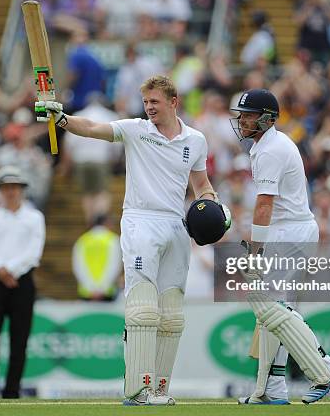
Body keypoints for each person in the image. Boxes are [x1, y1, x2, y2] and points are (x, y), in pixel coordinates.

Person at [35, 75, 230, 406]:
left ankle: (160, 389)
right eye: (146, 103)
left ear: (173, 101)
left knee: (171, 316)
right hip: (141, 221)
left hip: (176, 225)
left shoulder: (196, 140)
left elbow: (202, 185)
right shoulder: (137, 130)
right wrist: (63, 118)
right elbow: (94, 128)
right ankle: (138, 390)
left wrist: (212, 207)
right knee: (142, 311)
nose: (149, 108)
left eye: (155, 102)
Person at [230, 89, 330, 404]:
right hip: (292, 231)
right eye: (241, 114)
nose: (242, 120)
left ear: (267, 119)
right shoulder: (267, 145)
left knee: (273, 309)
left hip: (288, 234)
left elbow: (265, 205)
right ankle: (272, 389)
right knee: (275, 312)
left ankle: (324, 366)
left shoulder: (271, 150)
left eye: (249, 115)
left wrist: (254, 252)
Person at [0, 166, 46, 399]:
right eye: (6, 188)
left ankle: (11, 390)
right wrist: (0, 270)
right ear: (0, 190)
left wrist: (10, 270)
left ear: (22, 190)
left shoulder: (34, 217)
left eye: (14, 187)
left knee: (19, 339)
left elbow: (34, 251)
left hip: (21, 282)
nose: (11, 192)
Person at [72, 214, 122, 301]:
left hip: (86, 292)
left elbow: (78, 266)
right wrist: (102, 288)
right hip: (107, 292)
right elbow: (114, 265)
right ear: (107, 223)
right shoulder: (112, 239)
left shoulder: (83, 240)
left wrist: (90, 288)